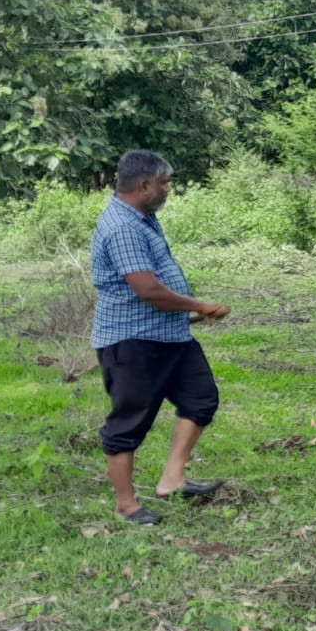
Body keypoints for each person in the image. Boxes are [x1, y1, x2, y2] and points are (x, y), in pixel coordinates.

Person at [90, 151, 230, 525]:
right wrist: (200, 304)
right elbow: (148, 290)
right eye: (165, 182)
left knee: (201, 399)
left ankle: (173, 480)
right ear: (145, 185)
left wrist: (190, 311)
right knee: (129, 422)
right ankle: (127, 506)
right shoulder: (122, 227)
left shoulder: (144, 218)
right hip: (132, 342)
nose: (168, 189)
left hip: (170, 336)